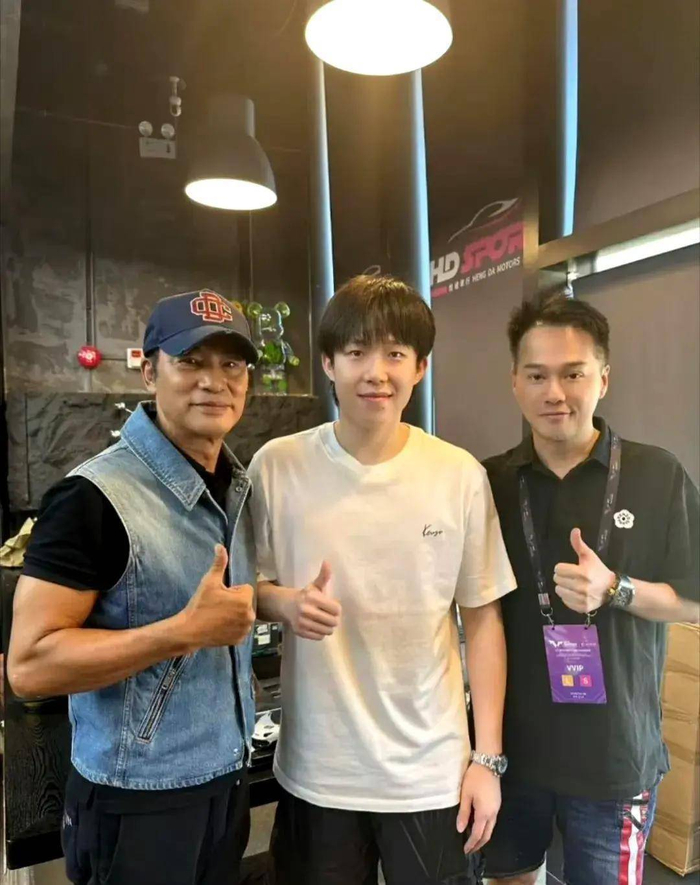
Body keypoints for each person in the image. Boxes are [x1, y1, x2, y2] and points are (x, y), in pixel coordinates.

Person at [248, 275, 516, 885]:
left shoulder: (458, 475)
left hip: (430, 771)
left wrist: (488, 759)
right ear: (328, 363)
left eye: (395, 353)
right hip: (318, 769)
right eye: (356, 352)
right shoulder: (278, 467)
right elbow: (241, 594)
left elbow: (483, 619)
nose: (376, 373)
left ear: (420, 367)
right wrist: (283, 603)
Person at [8, 290, 260, 885]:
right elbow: (30, 666)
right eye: (191, 361)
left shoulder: (235, 482)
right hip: (138, 800)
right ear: (149, 372)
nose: (214, 382)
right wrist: (182, 633)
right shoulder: (92, 497)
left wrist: (276, 599)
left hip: (225, 778)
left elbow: (197, 600)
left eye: (231, 363)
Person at [481, 295, 700, 885]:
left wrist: (616, 588)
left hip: (614, 758)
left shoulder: (657, 474)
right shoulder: (489, 482)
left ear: (603, 378)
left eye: (573, 374)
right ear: (515, 382)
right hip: (513, 750)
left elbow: (694, 597)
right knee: (509, 878)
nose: (555, 392)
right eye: (537, 376)